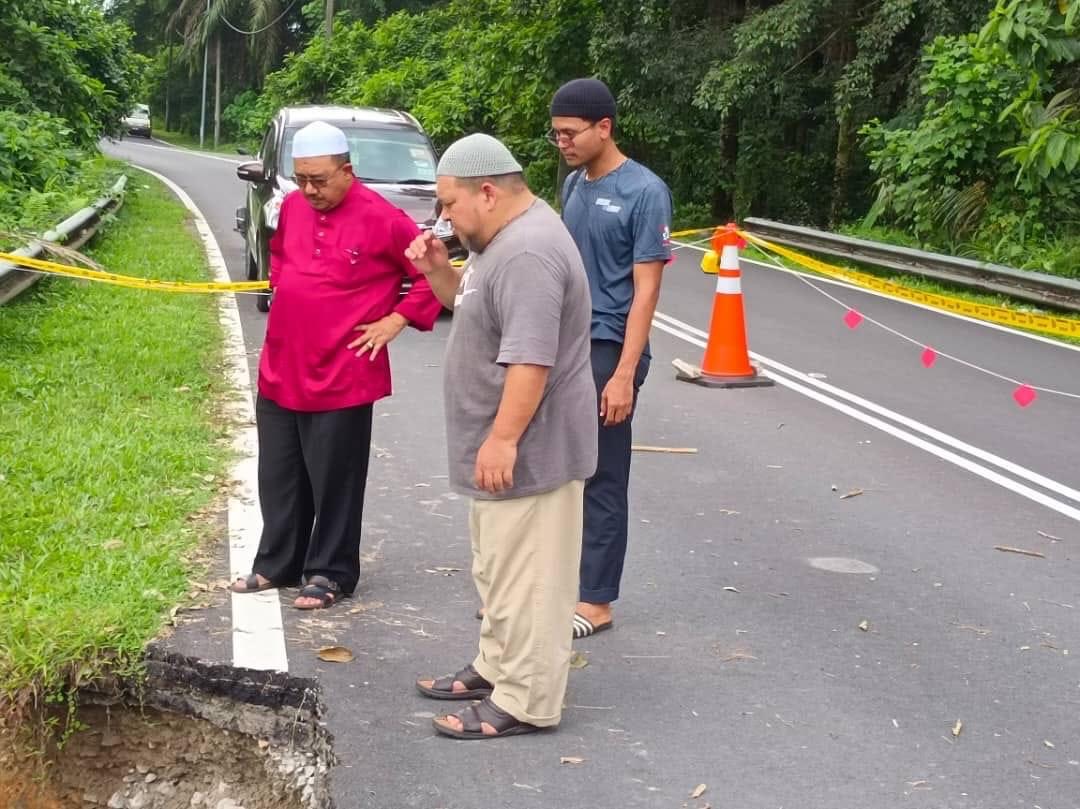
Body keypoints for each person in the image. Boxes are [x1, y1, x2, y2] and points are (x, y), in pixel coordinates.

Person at [409, 133, 596, 739]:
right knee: (499, 572)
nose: (443, 219)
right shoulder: (495, 242)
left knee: (531, 581)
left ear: (487, 192)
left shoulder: (527, 254)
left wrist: (504, 438)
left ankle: (525, 698)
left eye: (449, 204)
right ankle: (497, 666)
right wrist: (440, 271)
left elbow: (531, 359)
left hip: (531, 451)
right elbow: (470, 311)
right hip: (503, 450)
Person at [230, 120, 442, 609]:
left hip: (344, 370)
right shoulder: (293, 208)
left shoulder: (383, 218)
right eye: (302, 179)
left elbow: (431, 274)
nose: (310, 190)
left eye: (320, 180)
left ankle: (330, 572)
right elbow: (279, 258)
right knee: (279, 472)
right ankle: (277, 562)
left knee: (335, 478)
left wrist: (396, 321)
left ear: (348, 171)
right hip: (284, 361)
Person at [549, 78, 673, 639]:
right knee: (555, 472)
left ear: (605, 127)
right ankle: (551, 589)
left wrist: (625, 373)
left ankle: (596, 600)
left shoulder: (645, 191)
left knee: (601, 475)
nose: (564, 144)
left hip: (609, 348)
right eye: (556, 136)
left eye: (571, 133)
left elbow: (646, 291)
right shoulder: (573, 185)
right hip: (563, 344)